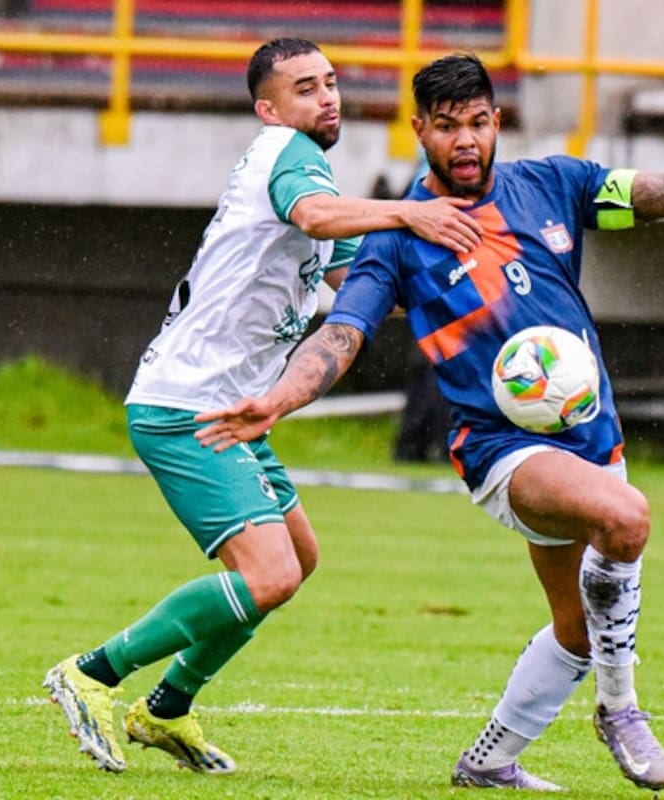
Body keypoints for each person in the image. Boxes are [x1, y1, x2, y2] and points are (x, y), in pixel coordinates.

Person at [195, 52, 664, 791]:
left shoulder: (554, 186)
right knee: (626, 520)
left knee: (577, 631)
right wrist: (278, 398)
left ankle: (489, 761)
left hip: (590, 439)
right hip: (503, 451)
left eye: (478, 122)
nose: (466, 141)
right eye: (447, 127)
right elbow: (343, 332)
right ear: (420, 130)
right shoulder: (398, 237)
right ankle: (620, 710)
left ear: (497, 121)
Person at [42, 37, 482, 775]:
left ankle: (167, 710)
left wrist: (468, 292)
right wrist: (414, 214)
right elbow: (314, 217)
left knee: (297, 560)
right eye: (307, 87)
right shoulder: (291, 155)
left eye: (333, 83)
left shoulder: (304, 168)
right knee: (269, 575)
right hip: (187, 406)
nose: (328, 98)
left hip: (226, 406)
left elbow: (362, 286)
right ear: (269, 108)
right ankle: (91, 674)